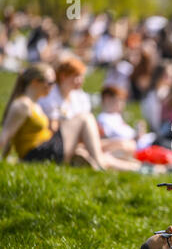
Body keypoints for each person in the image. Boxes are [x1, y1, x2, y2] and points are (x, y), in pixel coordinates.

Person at [0, 63, 141, 172]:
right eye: (50, 83)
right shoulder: (22, 105)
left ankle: (139, 168)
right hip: (38, 153)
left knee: (86, 153)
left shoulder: (32, 103)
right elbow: (5, 136)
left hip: (44, 148)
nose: (52, 87)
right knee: (85, 118)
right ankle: (100, 163)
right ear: (35, 82)